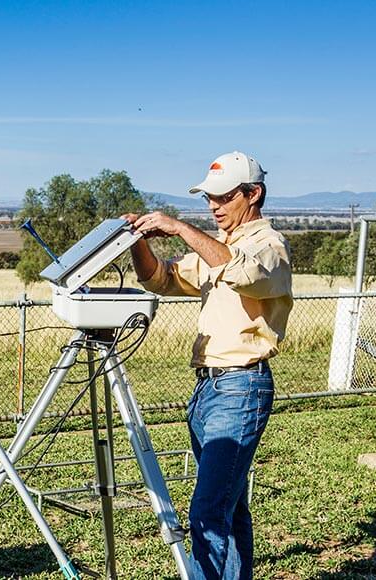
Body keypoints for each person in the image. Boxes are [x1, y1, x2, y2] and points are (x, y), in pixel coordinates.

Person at [123, 151, 293, 579]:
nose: (214, 206)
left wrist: (180, 227)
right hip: (208, 390)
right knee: (228, 508)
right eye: (208, 199)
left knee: (207, 511)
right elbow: (161, 277)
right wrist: (136, 242)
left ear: (253, 194)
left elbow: (243, 273)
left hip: (241, 387)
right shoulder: (221, 247)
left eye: (223, 196)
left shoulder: (268, 245)